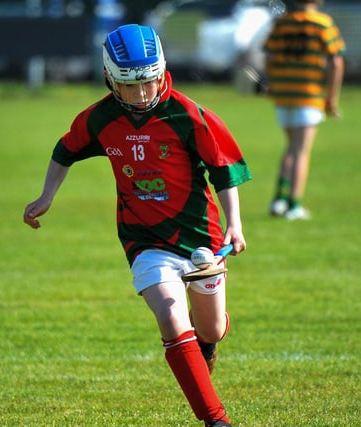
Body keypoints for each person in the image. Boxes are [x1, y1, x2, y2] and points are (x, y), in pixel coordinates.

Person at [24, 24, 251, 427]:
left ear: (161, 71)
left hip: (202, 237)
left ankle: (208, 340)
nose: (142, 94)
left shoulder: (188, 115)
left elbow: (225, 168)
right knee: (169, 314)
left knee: (212, 328)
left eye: (149, 82)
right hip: (143, 239)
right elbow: (66, 150)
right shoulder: (100, 118)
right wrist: (46, 196)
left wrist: (235, 224)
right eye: (131, 87)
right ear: (110, 79)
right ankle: (216, 420)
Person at [264, 0, 345, 220]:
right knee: (301, 151)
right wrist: (332, 99)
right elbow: (336, 61)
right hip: (308, 94)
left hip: (283, 94)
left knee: (291, 147)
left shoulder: (282, 23)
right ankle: (294, 205)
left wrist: (273, 83)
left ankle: (279, 200)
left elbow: (269, 57)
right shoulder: (322, 23)